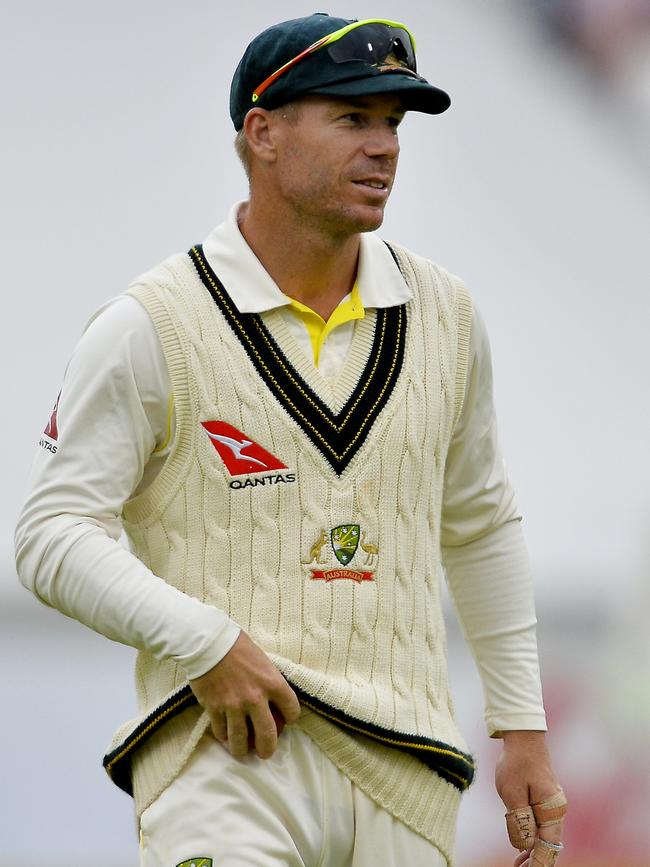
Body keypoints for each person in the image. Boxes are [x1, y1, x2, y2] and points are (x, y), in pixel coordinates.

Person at [15, 13, 567, 867]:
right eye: (353, 119)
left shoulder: (448, 316)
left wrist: (520, 727)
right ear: (262, 134)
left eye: (393, 124)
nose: (384, 147)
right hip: (223, 758)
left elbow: (482, 524)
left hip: (407, 770)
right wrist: (206, 641)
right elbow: (51, 537)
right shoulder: (151, 324)